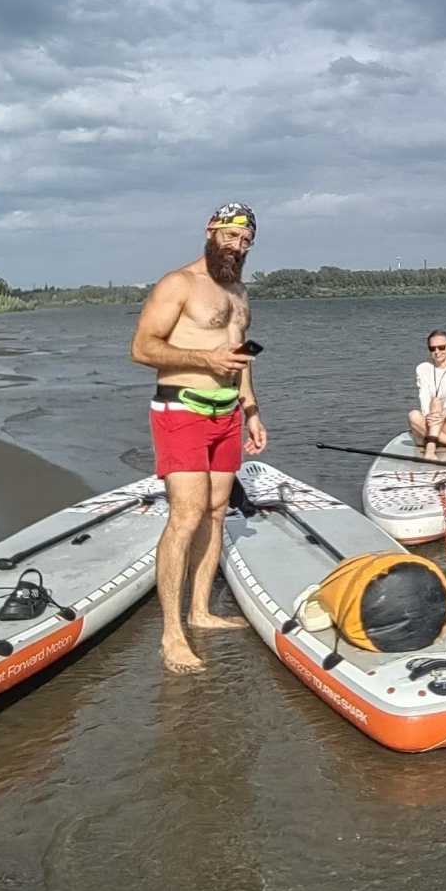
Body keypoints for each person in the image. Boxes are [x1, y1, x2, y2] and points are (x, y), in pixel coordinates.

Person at [130, 202, 268, 675]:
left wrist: (250, 409)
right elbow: (142, 346)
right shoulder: (179, 284)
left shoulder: (240, 293)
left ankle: (201, 611)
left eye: (247, 239)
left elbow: (240, 359)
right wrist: (205, 361)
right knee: (186, 515)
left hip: (227, 414)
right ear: (211, 232)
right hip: (181, 408)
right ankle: (172, 634)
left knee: (215, 511)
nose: (239, 246)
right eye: (231, 237)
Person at [407, 330, 446, 460]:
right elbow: (423, 394)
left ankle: (430, 450)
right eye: (432, 348)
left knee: (437, 402)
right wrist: (427, 415)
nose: (437, 352)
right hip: (429, 424)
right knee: (413, 415)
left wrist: (445, 411)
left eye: (441, 347)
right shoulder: (422, 368)